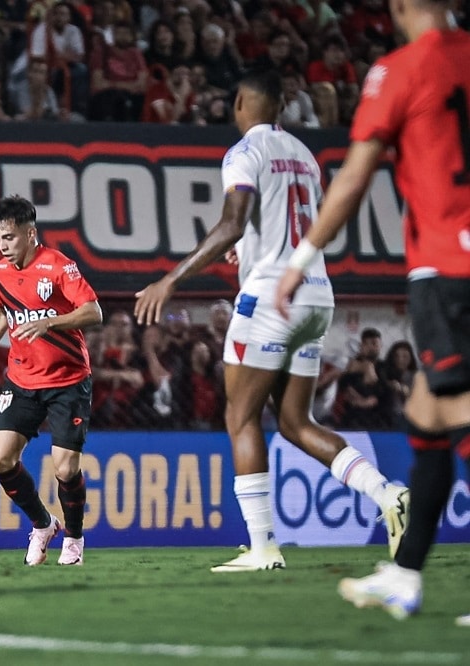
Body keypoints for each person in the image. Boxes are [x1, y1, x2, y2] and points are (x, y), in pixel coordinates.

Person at [134, 69, 409, 573]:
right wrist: (250, 248)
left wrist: (169, 280)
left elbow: (232, 222)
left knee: (240, 417)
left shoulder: (243, 152)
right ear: (282, 107)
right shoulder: (304, 155)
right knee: (295, 422)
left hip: (269, 301)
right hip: (316, 295)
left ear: (241, 102)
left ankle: (262, 547)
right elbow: (287, 224)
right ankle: (389, 494)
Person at [275, 0, 470, 623]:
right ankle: (406, 576)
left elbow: (355, 178)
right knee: (427, 412)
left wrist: (301, 256)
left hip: (448, 269)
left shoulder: (401, 71)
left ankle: (406, 575)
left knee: (459, 410)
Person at [0, 195, 102, 566]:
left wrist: (49, 321)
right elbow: (1, 314)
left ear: (31, 233)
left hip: (68, 380)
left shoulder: (58, 266)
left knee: (66, 468)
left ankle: (73, 539)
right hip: (21, 379)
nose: (4, 245)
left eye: (10, 237)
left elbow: (93, 311)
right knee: (0, 459)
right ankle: (42, 524)